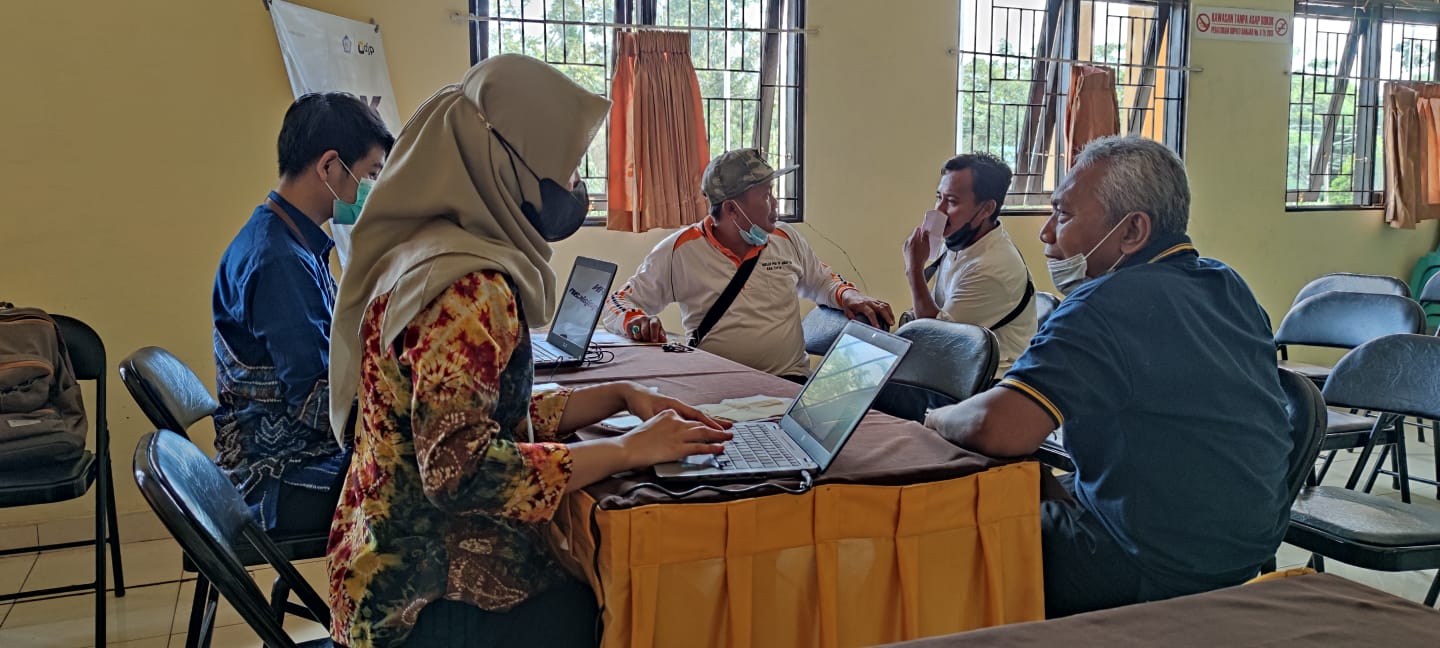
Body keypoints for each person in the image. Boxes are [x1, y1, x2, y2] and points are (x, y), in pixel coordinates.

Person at [325, 55, 732, 648]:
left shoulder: (423, 250)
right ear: (505, 164)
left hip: (379, 562)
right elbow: (461, 473)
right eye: (565, 169)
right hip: (420, 599)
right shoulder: (467, 287)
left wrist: (619, 395)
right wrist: (627, 450)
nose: (573, 189)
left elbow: (474, 412)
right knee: (612, 604)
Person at [923, 136, 1292, 617]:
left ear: (1132, 230)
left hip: (1145, 559)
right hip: (1242, 546)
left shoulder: (1102, 304)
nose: (1046, 233)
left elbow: (997, 428)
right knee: (1031, 485)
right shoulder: (1228, 284)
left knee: (942, 534)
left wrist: (934, 418)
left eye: (1064, 215)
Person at [211, 92, 393, 534]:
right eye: (370, 173)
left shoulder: (282, 236)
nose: (372, 188)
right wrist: (404, 406)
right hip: (276, 477)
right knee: (423, 479)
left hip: (279, 459)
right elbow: (316, 403)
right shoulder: (280, 261)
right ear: (329, 166)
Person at [602, 148, 894, 380]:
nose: (775, 204)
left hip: (786, 381)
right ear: (732, 209)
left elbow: (821, 281)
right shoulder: (679, 250)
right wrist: (634, 321)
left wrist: (848, 294)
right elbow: (617, 303)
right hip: (713, 386)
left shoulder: (784, 238)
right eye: (766, 195)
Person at [901, 153, 1036, 375]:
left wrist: (913, 269)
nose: (939, 210)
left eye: (952, 201)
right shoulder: (960, 241)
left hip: (989, 382)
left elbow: (935, 341)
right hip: (958, 365)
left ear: (986, 209)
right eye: (939, 197)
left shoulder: (991, 268)